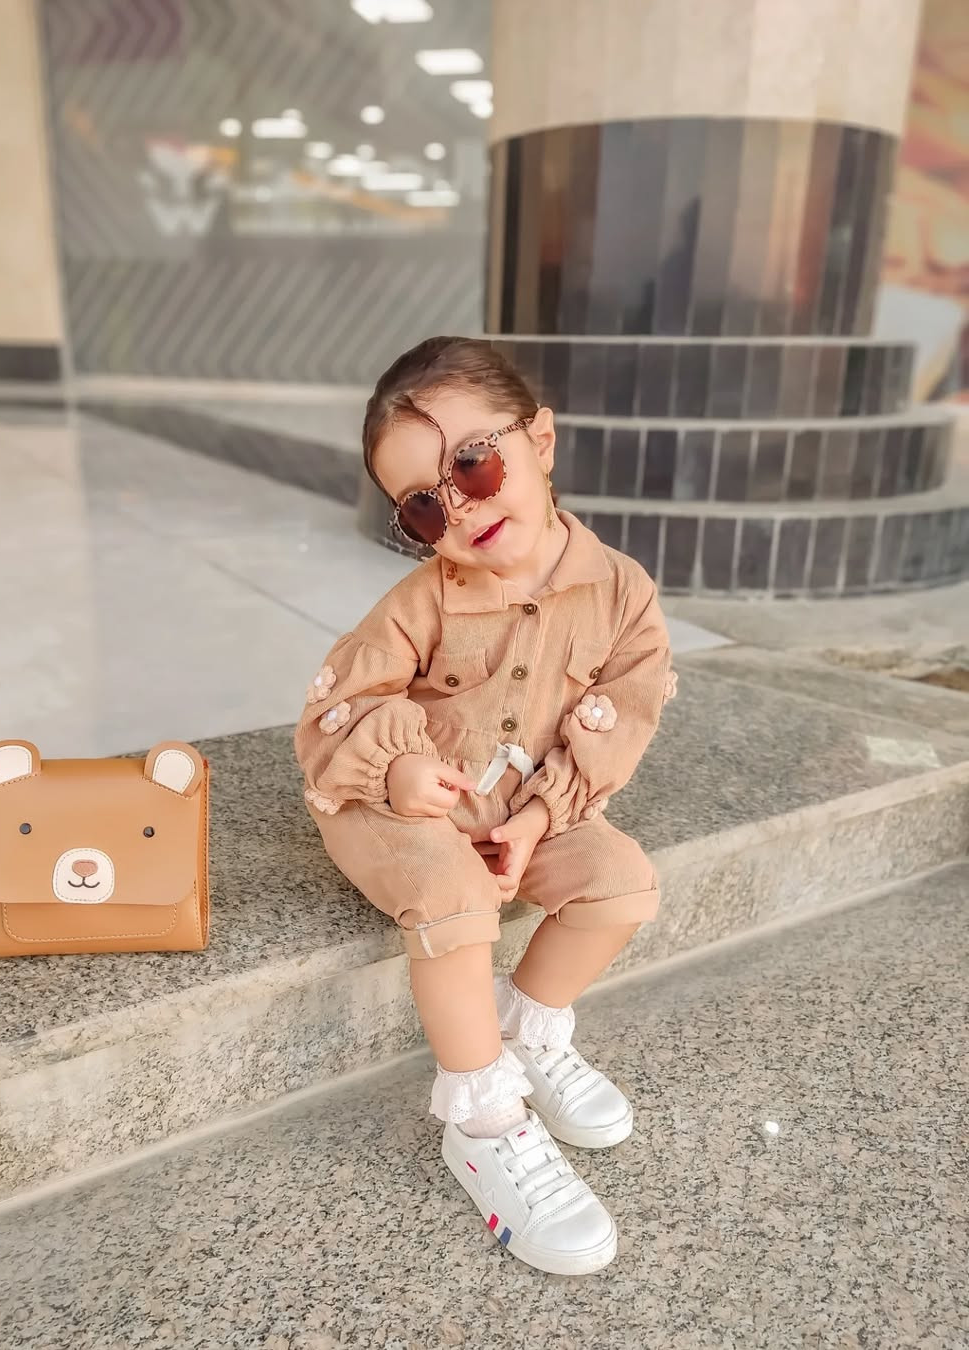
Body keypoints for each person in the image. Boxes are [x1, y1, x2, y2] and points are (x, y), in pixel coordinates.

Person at [295, 336, 675, 1276]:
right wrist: (399, 774)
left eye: (473, 462)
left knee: (621, 883)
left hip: (520, 805)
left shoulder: (622, 593)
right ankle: (483, 1118)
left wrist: (541, 817)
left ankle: (524, 1029)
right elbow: (336, 714)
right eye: (424, 505)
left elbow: (622, 715)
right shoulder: (419, 603)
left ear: (540, 440)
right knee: (455, 896)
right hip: (394, 802)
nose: (459, 507)